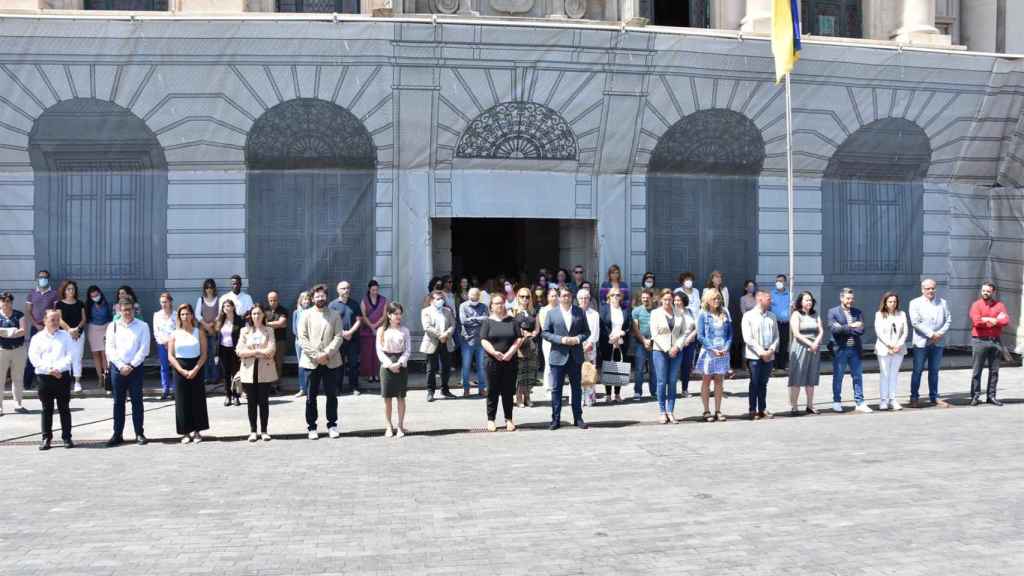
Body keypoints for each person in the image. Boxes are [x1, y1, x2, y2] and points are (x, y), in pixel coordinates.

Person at [298, 284, 344, 440]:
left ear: (326, 297)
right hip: (312, 362)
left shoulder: (335, 315)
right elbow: (302, 338)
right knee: (311, 396)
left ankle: (332, 425)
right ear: (312, 298)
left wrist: (327, 354)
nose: (320, 298)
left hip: (331, 361)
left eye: (322, 295)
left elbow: (339, 336)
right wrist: (316, 355)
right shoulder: (305, 315)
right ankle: (311, 427)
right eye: (317, 296)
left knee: (332, 395)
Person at [542, 287, 592, 430]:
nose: (566, 298)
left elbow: (586, 332)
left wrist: (578, 339)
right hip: (558, 356)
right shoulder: (552, 313)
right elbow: (545, 333)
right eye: (563, 295)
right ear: (558, 297)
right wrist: (561, 339)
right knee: (556, 389)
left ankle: (578, 418)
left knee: (576, 389)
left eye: (568, 295)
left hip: (575, 356)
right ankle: (555, 420)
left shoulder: (579, 312)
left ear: (572, 297)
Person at [105, 298, 151, 446]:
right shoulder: (112, 326)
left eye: (130, 310)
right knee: (118, 403)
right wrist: (120, 366)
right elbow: (109, 349)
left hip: (135, 369)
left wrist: (131, 365)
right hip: (118, 370)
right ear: (119, 311)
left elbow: (144, 349)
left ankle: (139, 433)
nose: (127, 313)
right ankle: (117, 434)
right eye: (124, 310)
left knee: (137, 402)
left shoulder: (143, 326)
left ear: (134, 310)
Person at [28, 309, 75, 450]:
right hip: (44, 377)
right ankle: (46, 438)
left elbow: (71, 355)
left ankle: (67, 438)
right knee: (46, 409)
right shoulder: (37, 338)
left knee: (64, 408)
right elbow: (34, 358)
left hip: (62, 376)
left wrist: (58, 369)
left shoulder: (66, 336)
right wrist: (50, 370)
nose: (55, 322)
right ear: (45, 321)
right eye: (52, 320)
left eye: (57, 319)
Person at [480, 294, 522, 432]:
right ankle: (491, 419)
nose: (500, 305)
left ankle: (509, 419)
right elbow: (484, 340)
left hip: (510, 361)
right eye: (497, 303)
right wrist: (493, 352)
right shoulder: (487, 322)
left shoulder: (512, 321)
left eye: (502, 303)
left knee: (508, 391)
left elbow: (518, 339)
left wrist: (510, 352)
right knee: (492, 390)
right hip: (492, 361)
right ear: (491, 306)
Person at [908, 278, 952, 408]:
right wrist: (931, 334)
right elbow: (915, 322)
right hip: (921, 342)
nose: (931, 291)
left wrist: (939, 334)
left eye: (933, 288)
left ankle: (934, 396)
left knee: (934, 371)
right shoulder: (915, 303)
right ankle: (914, 397)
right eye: (928, 288)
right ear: (922, 289)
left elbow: (948, 320)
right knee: (917, 370)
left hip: (938, 342)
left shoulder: (942, 303)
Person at [168, 303, 209, 443]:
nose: (185, 316)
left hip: (196, 368)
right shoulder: (174, 334)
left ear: (192, 315)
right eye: (182, 314)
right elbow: (170, 356)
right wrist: (181, 370)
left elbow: (204, 354)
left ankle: (197, 431)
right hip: (180, 369)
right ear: (179, 316)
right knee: (182, 401)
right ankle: (185, 432)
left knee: (197, 399)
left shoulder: (199, 332)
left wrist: (195, 369)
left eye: (187, 313)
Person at [237, 303, 277, 442]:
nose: (256, 316)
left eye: (259, 313)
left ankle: (264, 431)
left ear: (263, 315)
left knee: (264, 402)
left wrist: (252, 353)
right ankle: (253, 431)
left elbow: (271, 350)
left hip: (264, 370)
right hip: (249, 370)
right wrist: (257, 352)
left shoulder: (269, 330)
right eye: (254, 314)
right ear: (250, 316)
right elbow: (239, 351)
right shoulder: (244, 331)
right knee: (251, 403)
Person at [828, 288, 870, 413]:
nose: (850, 301)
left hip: (855, 349)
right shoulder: (833, 312)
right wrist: (851, 326)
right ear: (841, 298)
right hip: (840, 349)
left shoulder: (857, 312)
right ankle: (836, 402)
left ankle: (860, 402)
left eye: (851, 298)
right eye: (847, 298)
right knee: (838, 376)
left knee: (857, 376)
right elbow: (834, 330)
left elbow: (861, 330)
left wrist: (844, 328)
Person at [968, 281, 1010, 406]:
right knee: (977, 370)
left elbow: (1006, 320)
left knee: (994, 371)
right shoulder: (976, 305)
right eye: (983, 291)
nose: (985, 293)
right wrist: (996, 320)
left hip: (995, 341)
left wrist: (990, 320)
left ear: (993, 292)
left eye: (988, 291)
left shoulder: (1000, 305)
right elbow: (976, 322)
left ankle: (991, 396)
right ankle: (975, 396)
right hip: (979, 340)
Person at [650, 289, 688, 423]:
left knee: (672, 381)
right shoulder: (655, 313)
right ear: (661, 299)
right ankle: (662, 411)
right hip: (660, 351)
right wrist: (667, 349)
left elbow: (684, 332)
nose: (667, 302)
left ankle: (670, 411)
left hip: (676, 351)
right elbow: (654, 334)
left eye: (670, 299)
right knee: (661, 381)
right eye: (665, 299)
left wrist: (677, 347)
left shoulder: (679, 313)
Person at [742, 289, 779, 420]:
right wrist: (761, 352)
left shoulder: (772, 316)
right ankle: (752, 410)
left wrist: (771, 350)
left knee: (764, 383)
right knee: (754, 382)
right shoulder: (748, 316)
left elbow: (776, 336)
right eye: (768, 299)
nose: (771, 301)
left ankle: (762, 409)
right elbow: (748, 338)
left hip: (769, 355)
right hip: (754, 356)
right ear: (759, 299)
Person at [696, 288, 731, 422]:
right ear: (708, 300)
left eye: (718, 298)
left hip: (723, 351)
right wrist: (712, 348)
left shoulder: (725, 312)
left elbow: (730, 334)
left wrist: (726, 347)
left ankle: (718, 410)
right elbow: (700, 336)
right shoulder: (703, 314)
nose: (717, 301)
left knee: (719, 381)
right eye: (714, 299)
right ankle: (706, 410)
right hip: (709, 352)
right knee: (706, 380)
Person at [377, 302, 411, 438]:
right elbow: (379, 350)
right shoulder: (381, 330)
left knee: (401, 397)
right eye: (395, 313)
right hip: (386, 365)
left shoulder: (405, 330)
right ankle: (388, 426)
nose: (398, 316)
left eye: (400, 313)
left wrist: (400, 362)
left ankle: (400, 426)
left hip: (401, 365)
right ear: (389, 315)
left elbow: (408, 350)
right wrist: (389, 364)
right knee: (387, 398)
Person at [788, 291, 824, 415]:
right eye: (806, 300)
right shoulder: (796, 314)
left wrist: (816, 343)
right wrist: (811, 344)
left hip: (814, 349)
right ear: (800, 302)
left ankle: (810, 405)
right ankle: (794, 406)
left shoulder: (815, 314)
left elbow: (821, 331)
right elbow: (796, 334)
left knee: (811, 378)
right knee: (797, 378)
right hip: (800, 348)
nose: (808, 302)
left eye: (810, 300)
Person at [24, 269, 58, 390]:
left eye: (44, 277)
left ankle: (46, 382)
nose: (42, 279)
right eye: (40, 277)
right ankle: (27, 383)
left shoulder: (54, 293)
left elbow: (55, 312)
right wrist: (36, 324)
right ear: (37, 279)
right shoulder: (32, 293)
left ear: (48, 279)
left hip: (49, 329)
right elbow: (28, 311)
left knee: (49, 354)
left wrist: (47, 326)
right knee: (33, 354)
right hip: (35, 328)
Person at [420, 290, 456, 401]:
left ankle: (445, 389)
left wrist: (446, 334)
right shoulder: (426, 311)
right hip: (432, 342)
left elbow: (453, 324)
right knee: (431, 369)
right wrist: (440, 335)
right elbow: (427, 327)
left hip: (446, 341)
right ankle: (430, 391)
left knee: (446, 368)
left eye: (442, 299)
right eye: (437, 299)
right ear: (431, 300)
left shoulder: (447, 311)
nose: (440, 301)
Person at [874, 291, 908, 412]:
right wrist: (889, 345)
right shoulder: (879, 314)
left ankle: (893, 399)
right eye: (890, 301)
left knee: (894, 374)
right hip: (884, 348)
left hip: (899, 349)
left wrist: (898, 345)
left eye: (894, 301)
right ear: (885, 302)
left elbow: (905, 332)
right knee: (885, 374)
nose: (892, 304)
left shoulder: (902, 314)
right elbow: (879, 332)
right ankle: (884, 400)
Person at [329, 281, 363, 395]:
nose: (346, 290)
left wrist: (350, 332)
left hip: (352, 339)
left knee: (353, 364)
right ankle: (337, 388)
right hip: (338, 340)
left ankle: (354, 387)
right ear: (338, 290)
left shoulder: (355, 304)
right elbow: (330, 322)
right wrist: (342, 333)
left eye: (348, 288)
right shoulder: (332, 305)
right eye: (343, 288)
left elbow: (359, 320)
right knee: (339, 365)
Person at [54, 280, 86, 393]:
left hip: (79, 334)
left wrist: (77, 329)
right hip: (64, 334)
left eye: (72, 289)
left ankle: (77, 382)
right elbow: (60, 319)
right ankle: (64, 381)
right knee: (63, 357)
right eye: (68, 289)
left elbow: (83, 319)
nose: (70, 291)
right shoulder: (59, 304)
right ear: (64, 290)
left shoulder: (80, 303)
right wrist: (69, 330)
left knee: (77, 357)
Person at [0, 292, 29, 415]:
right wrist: (12, 331)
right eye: (3, 301)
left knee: (17, 378)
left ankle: (18, 404)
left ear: (12, 302)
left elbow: (23, 331)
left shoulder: (19, 315)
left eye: (8, 301)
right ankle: (0, 407)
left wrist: (4, 332)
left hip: (18, 349)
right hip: (2, 350)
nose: (6, 303)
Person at [599, 288, 629, 403]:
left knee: (619, 367)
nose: (615, 297)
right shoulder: (604, 309)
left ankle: (617, 393)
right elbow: (602, 325)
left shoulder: (625, 309)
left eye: (618, 295)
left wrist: (623, 333)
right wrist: (611, 337)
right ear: (608, 297)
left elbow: (629, 324)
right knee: (608, 366)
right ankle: (607, 394)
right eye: (613, 295)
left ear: (621, 297)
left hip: (621, 342)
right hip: (608, 341)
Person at [458, 287, 489, 397]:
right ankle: (466, 389)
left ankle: (482, 388)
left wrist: (471, 319)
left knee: (481, 366)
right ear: (468, 296)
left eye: (475, 296)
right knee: (466, 366)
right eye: (471, 296)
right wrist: (478, 320)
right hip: (467, 340)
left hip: (480, 340)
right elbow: (463, 321)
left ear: (478, 297)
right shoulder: (463, 306)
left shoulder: (484, 306)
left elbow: (486, 319)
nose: (473, 298)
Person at [514, 288, 539, 408]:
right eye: (522, 296)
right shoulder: (513, 311)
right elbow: (512, 327)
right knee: (520, 373)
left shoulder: (534, 312)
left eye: (527, 297)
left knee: (530, 373)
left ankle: (527, 397)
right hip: (519, 345)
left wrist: (532, 333)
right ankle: (518, 397)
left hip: (531, 345)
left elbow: (537, 328)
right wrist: (522, 333)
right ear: (518, 297)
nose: (525, 299)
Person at [359, 280, 388, 384]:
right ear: (369, 289)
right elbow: (364, 315)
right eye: (373, 290)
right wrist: (371, 327)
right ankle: (370, 375)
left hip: (380, 329)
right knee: (368, 353)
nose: (375, 292)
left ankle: (377, 374)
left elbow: (384, 315)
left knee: (378, 353)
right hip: (367, 330)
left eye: (376, 289)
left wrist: (376, 326)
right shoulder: (364, 300)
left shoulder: (384, 300)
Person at [215, 299, 243, 407]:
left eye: (228, 306)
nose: (226, 308)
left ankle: (236, 396)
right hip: (223, 350)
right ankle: (228, 395)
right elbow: (216, 339)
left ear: (233, 307)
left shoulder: (238, 320)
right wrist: (216, 354)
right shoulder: (220, 320)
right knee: (226, 374)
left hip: (235, 350)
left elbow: (242, 336)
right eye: (224, 306)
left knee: (235, 374)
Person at [85, 286, 113, 391]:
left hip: (105, 327)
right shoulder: (88, 304)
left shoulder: (106, 303)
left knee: (104, 354)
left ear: (100, 293)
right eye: (92, 296)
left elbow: (110, 317)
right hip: (93, 329)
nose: (95, 297)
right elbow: (87, 318)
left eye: (96, 295)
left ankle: (106, 377)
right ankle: (99, 378)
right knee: (96, 354)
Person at [152, 292, 178, 400]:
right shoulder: (157, 315)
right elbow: (156, 331)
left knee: (175, 367)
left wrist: (170, 342)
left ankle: (176, 390)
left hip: (174, 344)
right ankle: (165, 389)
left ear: (170, 302)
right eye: (162, 302)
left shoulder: (176, 315)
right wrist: (164, 342)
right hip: (162, 344)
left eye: (165, 302)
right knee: (164, 367)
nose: (163, 304)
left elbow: (178, 330)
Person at [195, 279, 221, 386]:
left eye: (210, 287)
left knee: (214, 354)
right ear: (204, 289)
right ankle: (205, 377)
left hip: (215, 330)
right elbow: (197, 314)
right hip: (202, 331)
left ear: (214, 288)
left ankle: (215, 377)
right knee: (204, 353)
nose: (209, 290)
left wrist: (212, 324)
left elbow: (220, 314)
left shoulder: (218, 300)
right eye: (207, 287)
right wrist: (206, 325)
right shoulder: (200, 300)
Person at [630, 289, 655, 400]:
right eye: (643, 297)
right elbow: (635, 328)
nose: (645, 299)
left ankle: (654, 392)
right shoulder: (636, 311)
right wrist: (644, 341)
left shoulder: (657, 311)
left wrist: (652, 340)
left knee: (654, 369)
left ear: (652, 298)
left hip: (655, 344)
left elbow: (659, 327)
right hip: (640, 344)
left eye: (647, 297)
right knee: (639, 369)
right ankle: (637, 392)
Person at [673, 292, 698, 398]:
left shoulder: (690, 312)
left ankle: (685, 389)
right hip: (675, 344)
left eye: (679, 300)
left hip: (689, 343)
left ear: (684, 301)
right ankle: (671, 390)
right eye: (675, 300)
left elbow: (697, 327)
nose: (676, 302)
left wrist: (690, 337)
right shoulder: (672, 312)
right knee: (674, 367)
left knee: (686, 367)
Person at [578, 289, 600, 406]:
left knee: (590, 373)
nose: (584, 300)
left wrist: (590, 343)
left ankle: (589, 398)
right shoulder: (574, 312)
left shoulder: (595, 314)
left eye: (586, 298)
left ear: (589, 299)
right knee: (578, 373)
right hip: (577, 347)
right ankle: (579, 399)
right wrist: (580, 344)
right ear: (578, 300)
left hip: (591, 347)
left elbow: (596, 332)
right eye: (581, 298)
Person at [265, 291, 288, 395]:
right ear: (268, 300)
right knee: (268, 363)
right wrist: (276, 324)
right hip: (267, 341)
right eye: (271, 300)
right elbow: (278, 324)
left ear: (278, 299)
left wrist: (267, 324)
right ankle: (269, 386)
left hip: (280, 341)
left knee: (278, 364)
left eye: (275, 300)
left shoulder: (283, 310)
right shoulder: (264, 310)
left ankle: (277, 386)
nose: (273, 302)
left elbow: (281, 323)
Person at [537, 288, 558, 393]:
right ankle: (548, 387)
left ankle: (556, 386)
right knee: (549, 364)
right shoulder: (543, 310)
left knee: (559, 365)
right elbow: (544, 328)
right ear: (548, 297)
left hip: (560, 341)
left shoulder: (562, 308)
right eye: (552, 296)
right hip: (548, 342)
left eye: (556, 295)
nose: (554, 298)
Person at [291, 291, 311, 397]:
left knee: (310, 365)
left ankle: (310, 388)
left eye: (308, 299)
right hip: (299, 342)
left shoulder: (313, 311)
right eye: (304, 299)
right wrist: (301, 339)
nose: (306, 301)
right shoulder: (296, 312)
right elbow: (294, 329)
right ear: (300, 301)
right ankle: (302, 388)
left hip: (310, 342)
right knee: (301, 365)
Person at [770, 274, 791, 372]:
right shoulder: (772, 293)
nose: (779, 283)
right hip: (774, 323)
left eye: (781, 281)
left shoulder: (789, 294)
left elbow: (792, 306)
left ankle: (782, 365)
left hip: (786, 323)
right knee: (774, 343)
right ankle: (773, 364)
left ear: (785, 282)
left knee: (784, 343)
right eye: (777, 281)